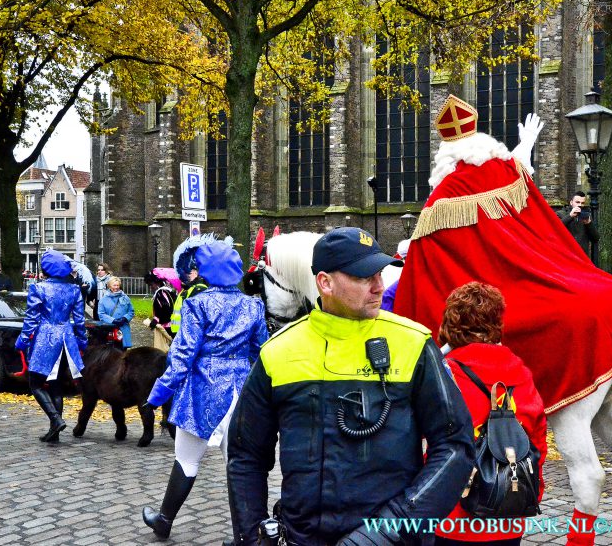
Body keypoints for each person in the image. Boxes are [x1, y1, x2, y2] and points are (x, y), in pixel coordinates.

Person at [392, 96, 612, 544]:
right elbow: (539, 232)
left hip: (496, 313)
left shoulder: (441, 197)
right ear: (481, 139)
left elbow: (425, 281)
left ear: (445, 152)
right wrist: (522, 157)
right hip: (570, 291)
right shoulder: (507, 172)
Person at [227, 226, 474, 545]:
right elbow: (246, 453)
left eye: (379, 274)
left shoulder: (413, 343)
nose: (378, 286)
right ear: (325, 283)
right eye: (362, 276)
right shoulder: (278, 351)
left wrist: (388, 530)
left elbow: (455, 443)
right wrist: (252, 536)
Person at [142, 241, 268, 540]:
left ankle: (164, 520)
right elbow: (261, 352)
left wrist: (158, 394)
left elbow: (182, 356)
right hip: (241, 391)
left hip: (202, 391)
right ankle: (245, 535)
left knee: (186, 459)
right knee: (239, 465)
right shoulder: (253, 305)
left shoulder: (197, 304)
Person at [437, 282, 547, 546]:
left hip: (452, 516)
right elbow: (537, 439)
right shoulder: (520, 372)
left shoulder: (444, 374)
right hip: (507, 511)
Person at [14, 250, 87, 443]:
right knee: (55, 385)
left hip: (46, 338)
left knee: (35, 383)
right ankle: (55, 429)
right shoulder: (74, 290)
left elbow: (31, 318)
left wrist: (23, 339)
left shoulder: (38, 288)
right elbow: (79, 321)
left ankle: (55, 420)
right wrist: (82, 341)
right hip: (66, 340)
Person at [556, 191, 599, 257]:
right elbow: (554, 228)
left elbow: (595, 238)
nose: (580, 205)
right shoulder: (560, 214)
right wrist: (570, 216)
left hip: (582, 257)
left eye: (582, 203)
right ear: (571, 202)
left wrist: (589, 224)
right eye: (577, 202)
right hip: (565, 256)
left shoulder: (586, 215)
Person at [143, 270, 177, 351]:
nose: (151, 287)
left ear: (157, 283)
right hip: (173, 323)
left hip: (166, 325)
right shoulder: (169, 292)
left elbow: (164, 309)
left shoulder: (161, 293)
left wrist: (155, 320)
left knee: (164, 347)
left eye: (151, 285)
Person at [98, 276, 135, 348]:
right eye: (114, 285)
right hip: (110, 328)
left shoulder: (125, 297)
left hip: (123, 327)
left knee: (123, 350)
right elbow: (101, 314)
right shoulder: (103, 299)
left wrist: (125, 318)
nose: (116, 287)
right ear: (109, 286)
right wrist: (113, 320)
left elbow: (131, 311)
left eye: (118, 285)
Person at [170, 267, 206, 336]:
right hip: (179, 332)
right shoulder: (186, 289)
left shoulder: (199, 289)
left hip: (189, 334)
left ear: (196, 273)